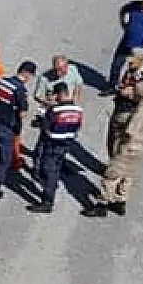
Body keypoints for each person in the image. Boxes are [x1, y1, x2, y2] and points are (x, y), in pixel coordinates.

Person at [83, 73, 143, 218]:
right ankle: (120, 200)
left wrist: (120, 139)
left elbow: (130, 131)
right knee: (128, 174)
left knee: (112, 174)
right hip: (140, 148)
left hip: (128, 146)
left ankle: (102, 204)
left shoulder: (139, 111)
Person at [0, 60, 36, 201]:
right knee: (4, 160)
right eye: (30, 76)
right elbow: (22, 113)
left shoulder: (1, 82)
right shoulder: (20, 90)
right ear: (27, 74)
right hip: (7, 129)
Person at [30, 84, 83, 214]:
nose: (54, 97)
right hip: (67, 145)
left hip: (53, 145)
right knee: (56, 168)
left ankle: (47, 201)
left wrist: (39, 122)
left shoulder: (55, 110)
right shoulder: (78, 110)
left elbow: (46, 126)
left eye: (55, 95)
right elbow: (77, 127)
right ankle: (50, 190)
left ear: (60, 94)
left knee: (47, 171)